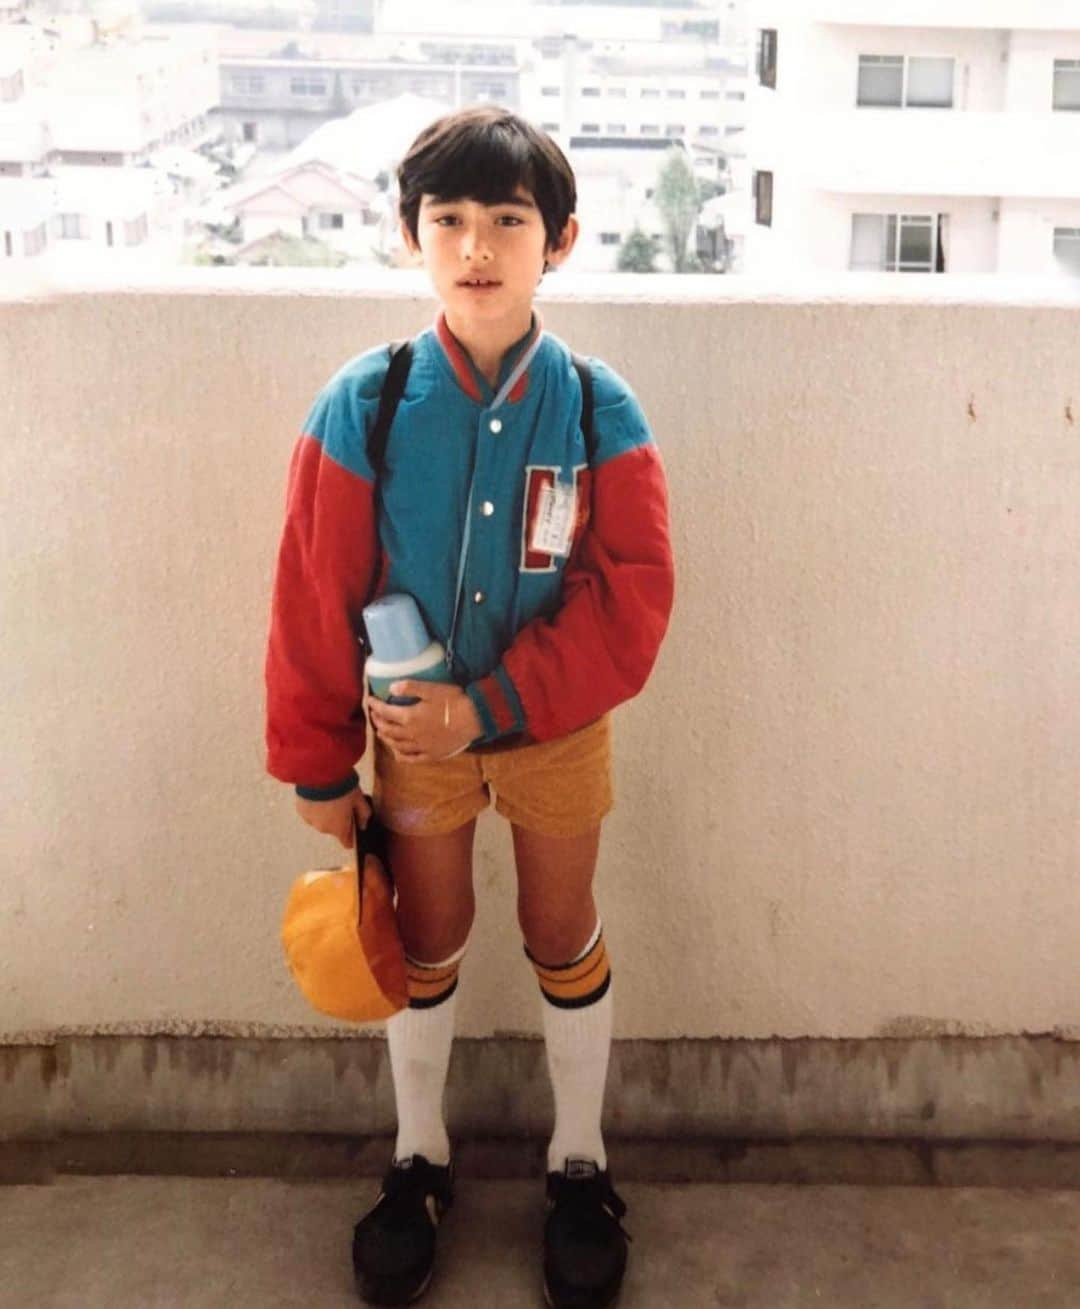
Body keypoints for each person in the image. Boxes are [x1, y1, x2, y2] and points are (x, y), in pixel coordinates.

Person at [264, 105, 674, 1308]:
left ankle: (581, 1159)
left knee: (562, 934)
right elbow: (309, 591)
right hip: (407, 744)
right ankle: (419, 1155)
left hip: (553, 731)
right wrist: (318, 766)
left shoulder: (601, 411)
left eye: (509, 219)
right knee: (425, 944)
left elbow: (631, 603)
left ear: (563, 241)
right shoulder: (366, 401)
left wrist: (486, 703)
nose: (478, 243)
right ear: (410, 239)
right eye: (448, 219)